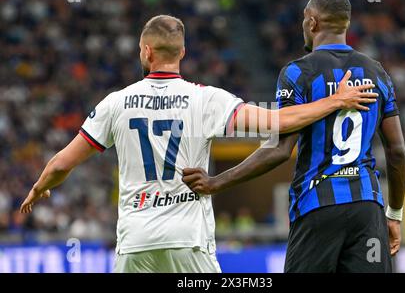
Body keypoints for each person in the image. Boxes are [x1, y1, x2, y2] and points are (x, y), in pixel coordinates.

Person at [20, 15, 377, 273]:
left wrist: (40, 187)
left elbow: (61, 165)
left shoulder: (116, 102)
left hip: (135, 244)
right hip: (188, 241)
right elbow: (277, 122)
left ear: (146, 51)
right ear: (183, 53)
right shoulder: (206, 99)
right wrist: (335, 101)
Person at [183, 0, 405, 273]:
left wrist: (217, 182)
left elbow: (279, 149)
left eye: (304, 20)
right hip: (367, 208)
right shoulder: (377, 73)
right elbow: (397, 152)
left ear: (312, 23)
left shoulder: (297, 73)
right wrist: (394, 215)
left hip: (316, 206)